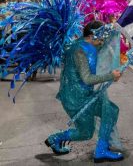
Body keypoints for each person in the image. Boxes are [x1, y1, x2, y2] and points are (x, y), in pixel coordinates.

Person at [45, 21, 124, 163]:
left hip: (80, 95)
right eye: (101, 38)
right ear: (92, 36)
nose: (102, 41)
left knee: (111, 111)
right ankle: (57, 139)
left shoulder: (82, 44)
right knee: (86, 133)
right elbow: (87, 79)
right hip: (76, 99)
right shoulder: (80, 51)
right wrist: (110, 76)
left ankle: (100, 149)